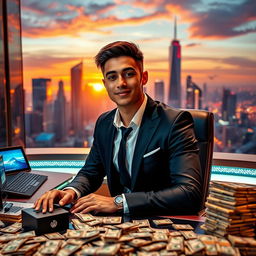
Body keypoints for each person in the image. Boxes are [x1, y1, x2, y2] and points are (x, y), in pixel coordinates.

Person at [34, 41, 202, 216]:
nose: (120, 83)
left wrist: (119, 202)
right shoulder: (104, 123)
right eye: (112, 77)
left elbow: (189, 193)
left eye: (128, 74)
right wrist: (70, 191)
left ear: (143, 78)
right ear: (105, 83)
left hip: (162, 223)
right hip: (117, 226)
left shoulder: (174, 122)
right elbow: (91, 171)